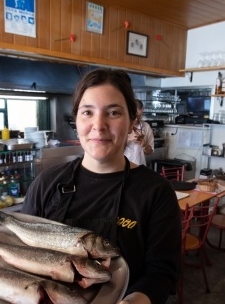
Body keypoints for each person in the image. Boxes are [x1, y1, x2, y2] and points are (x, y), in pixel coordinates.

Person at [21, 68, 181, 304]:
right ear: (77, 119)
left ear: (131, 122)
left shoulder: (156, 192)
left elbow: (161, 273)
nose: (99, 124)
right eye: (87, 112)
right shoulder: (47, 183)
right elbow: (24, 252)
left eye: (113, 112)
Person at [124, 99, 154, 166]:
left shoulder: (146, 127)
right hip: (123, 167)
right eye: (134, 116)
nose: (137, 119)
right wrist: (128, 138)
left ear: (142, 111)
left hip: (140, 166)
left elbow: (150, 151)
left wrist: (144, 145)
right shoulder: (122, 126)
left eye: (139, 116)